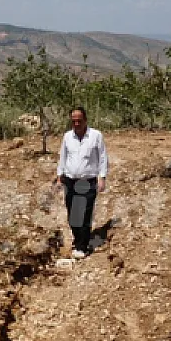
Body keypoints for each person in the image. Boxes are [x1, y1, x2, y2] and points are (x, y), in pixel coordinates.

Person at [52, 107, 108, 259]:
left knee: (84, 213)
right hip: (70, 180)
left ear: (85, 120)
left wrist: (102, 177)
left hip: (87, 180)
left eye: (79, 120)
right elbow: (63, 157)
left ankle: (82, 247)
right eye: (74, 121)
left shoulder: (96, 136)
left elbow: (102, 157)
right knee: (73, 215)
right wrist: (59, 176)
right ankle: (79, 240)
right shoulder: (67, 137)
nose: (76, 123)